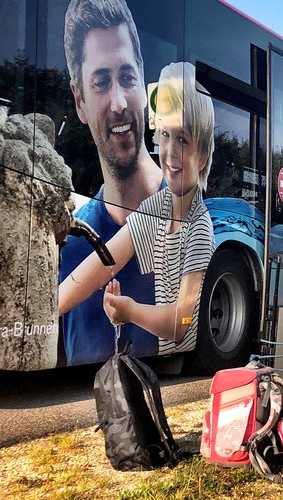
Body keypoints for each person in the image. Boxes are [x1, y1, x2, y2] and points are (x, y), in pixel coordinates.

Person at [60, 62, 216, 347]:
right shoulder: (158, 206)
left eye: (182, 139)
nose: (169, 153)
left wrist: (129, 311)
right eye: (165, 136)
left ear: (203, 156)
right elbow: (104, 261)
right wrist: (43, 310)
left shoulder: (200, 228)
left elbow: (181, 323)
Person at [59, 0, 163, 364]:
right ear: (80, 101)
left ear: (143, 84)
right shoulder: (69, 247)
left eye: (127, 77)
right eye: (101, 82)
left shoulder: (189, 213)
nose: (119, 101)